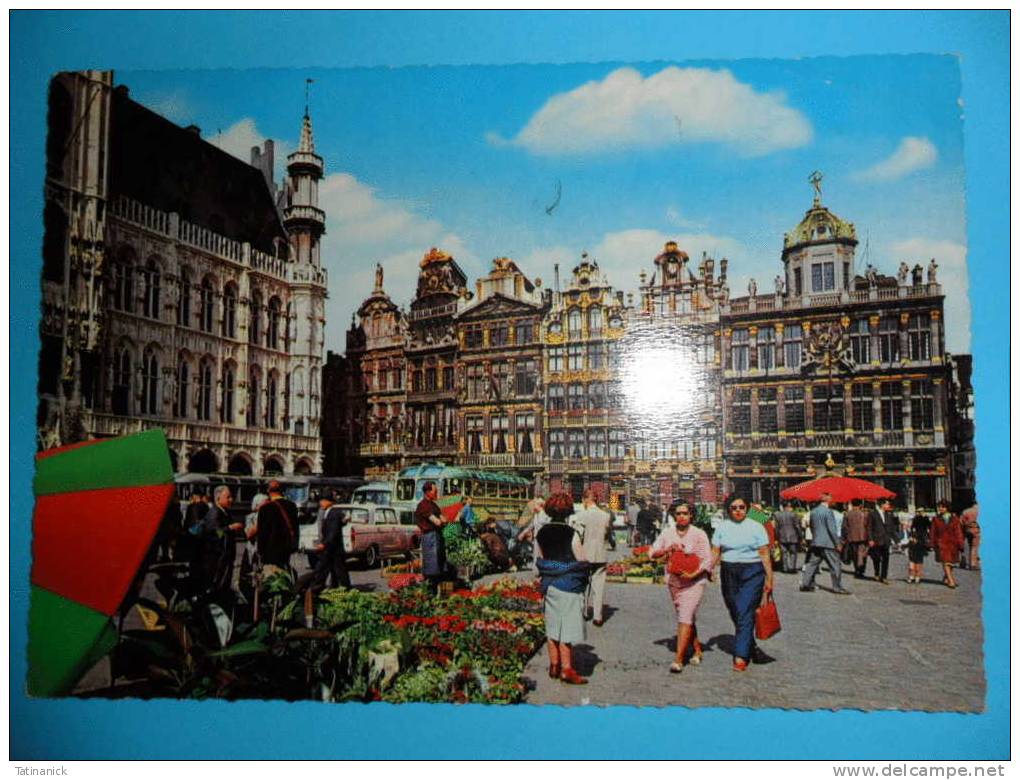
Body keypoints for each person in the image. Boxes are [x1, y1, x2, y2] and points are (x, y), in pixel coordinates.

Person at [710, 495, 774, 672]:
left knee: (745, 609)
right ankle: (750, 645)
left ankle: (741, 656)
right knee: (735, 609)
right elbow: (715, 550)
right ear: (728, 510)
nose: (738, 511)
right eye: (734, 508)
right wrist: (710, 568)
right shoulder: (722, 527)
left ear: (747, 508)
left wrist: (769, 579)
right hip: (729, 571)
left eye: (741, 507)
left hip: (752, 571)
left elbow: (764, 554)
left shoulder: (756, 527)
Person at [535, 491, 590, 684]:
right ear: (568, 511)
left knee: (552, 626)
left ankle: (553, 666)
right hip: (567, 584)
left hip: (549, 584)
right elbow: (581, 559)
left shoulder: (541, 532)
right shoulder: (571, 533)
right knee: (566, 629)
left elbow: (541, 558)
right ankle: (567, 669)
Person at [651, 500, 712, 673]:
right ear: (673, 515)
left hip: (694, 582)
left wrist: (693, 573)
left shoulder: (700, 534)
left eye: (685, 513)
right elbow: (652, 552)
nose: (682, 516)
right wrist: (666, 550)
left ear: (691, 514)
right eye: (678, 513)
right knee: (687, 616)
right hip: (675, 582)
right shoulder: (667, 533)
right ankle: (698, 650)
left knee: (684, 616)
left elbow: (707, 559)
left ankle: (678, 660)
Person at [801, 492, 851, 595]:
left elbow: (812, 526)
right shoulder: (828, 512)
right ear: (827, 500)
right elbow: (831, 529)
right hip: (828, 543)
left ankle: (805, 583)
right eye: (831, 498)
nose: (833, 500)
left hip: (816, 542)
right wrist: (837, 543)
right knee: (835, 565)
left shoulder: (813, 511)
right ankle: (837, 587)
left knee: (812, 564)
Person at [248, 480, 300, 574]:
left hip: (270, 550)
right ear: (281, 490)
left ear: (268, 491)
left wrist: (260, 551)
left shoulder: (265, 508)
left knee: (272, 578)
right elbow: (296, 528)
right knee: (284, 574)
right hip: (286, 549)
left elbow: (262, 533)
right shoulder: (292, 506)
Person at [576, 488, 612, 626]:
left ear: (585, 500)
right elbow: (607, 534)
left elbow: (578, 536)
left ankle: (584, 612)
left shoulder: (582, 515)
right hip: (601, 554)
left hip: (585, 554)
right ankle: (598, 616)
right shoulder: (605, 515)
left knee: (583, 585)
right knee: (599, 586)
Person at [200, 485, 244, 594]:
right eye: (228, 497)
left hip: (224, 558)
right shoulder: (214, 513)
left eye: (231, 497)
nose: (231, 500)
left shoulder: (225, 512)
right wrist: (230, 528)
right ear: (218, 498)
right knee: (216, 588)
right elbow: (214, 533)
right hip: (216, 560)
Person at [309, 491, 351, 590]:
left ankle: (345, 590)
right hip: (330, 549)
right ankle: (318, 588)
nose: (320, 503)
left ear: (327, 501)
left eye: (322, 501)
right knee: (326, 569)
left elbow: (333, 532)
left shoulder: (334, 513)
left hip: (333, 548)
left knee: (338, 571)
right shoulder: (328, 512)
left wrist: (324, 544)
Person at [415, 481, 449, 592]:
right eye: (435, 491)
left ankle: (436, 591)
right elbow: (437, 521)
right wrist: (442, 521)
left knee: (439, 563)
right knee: (432, 565)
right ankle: (430, 591)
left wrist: (442, 521)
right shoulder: (423, 505)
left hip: (437, 536)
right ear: (428, 492)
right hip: (430, 537)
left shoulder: (433, 505)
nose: (437, 493)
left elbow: (443, 519)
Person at [930, 500, 965, 589]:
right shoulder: (936, 519)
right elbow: (933, 532)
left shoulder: (955, 518)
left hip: (953, 543)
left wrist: (961, 543)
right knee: (946, 562)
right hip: (941, 543)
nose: (941, 508)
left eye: (943, 507)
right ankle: (951, 581)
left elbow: (958, 532)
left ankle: (946, 577)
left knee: (951, 563)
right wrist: (932, 543)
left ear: (947, 508)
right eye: (939, 507)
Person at [868, 499, 900, 584]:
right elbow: (869, 528)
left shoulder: (888, 515)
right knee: (876, 558)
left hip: (886, 539)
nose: (888, 506)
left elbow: (892, 529)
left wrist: (897, 540)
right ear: (882, 505)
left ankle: (884, 577)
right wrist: (870, 539)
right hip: (876, 539)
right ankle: (877, 573)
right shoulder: (873, 514)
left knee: (886, 558)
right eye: (887, 504)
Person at [842, 499, 871, 579]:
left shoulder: (847, 514)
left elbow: (844, 527)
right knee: (862, 554)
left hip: (851, 537)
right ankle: (861, 570)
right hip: (863, 537)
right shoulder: (864, 514)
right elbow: (867, 526)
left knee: (855, 554)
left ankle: (856, 569)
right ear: (860, 505)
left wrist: (845, 537)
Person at [773, 501, 803, 574]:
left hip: (782, 536)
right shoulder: (794, 515)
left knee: (784, 553)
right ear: (789, 506)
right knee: (793, 553)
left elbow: (776, 527)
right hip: (793, 536)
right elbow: (797, 526)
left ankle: (785, 568)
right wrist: (800, 536)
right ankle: (792, 568)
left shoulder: (778, 515)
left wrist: (777, 537)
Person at [906, 511, 932, 584]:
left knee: (913, 559)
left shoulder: (916, 521)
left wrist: (912, 537)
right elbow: (930, 527)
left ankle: (912, 576)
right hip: (921, 541)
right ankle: (917, 576)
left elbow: (911, 530)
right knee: (918, 560)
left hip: (917, 542)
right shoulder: (924, 520)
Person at [960, 502, 980, 570]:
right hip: (977, 530)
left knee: (967, 545)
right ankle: (972, 564)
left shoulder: (966, 511)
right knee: (974, 547)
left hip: (967, 529)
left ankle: (964, 560)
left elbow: (961, 522)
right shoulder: (981, 511)